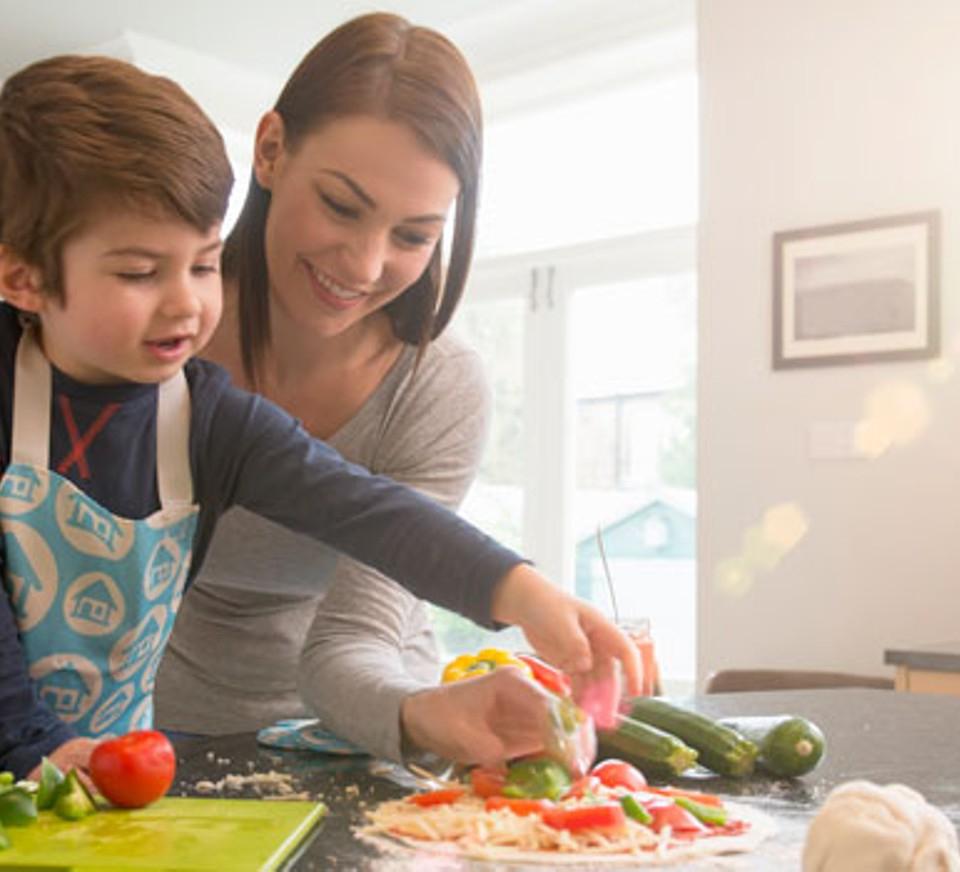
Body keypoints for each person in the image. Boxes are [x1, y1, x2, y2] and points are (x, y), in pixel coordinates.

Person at [0, 53, 639, 778]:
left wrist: (524, 591)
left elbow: (367, 511)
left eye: (204, 264)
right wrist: (34, 748)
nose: (186, 304)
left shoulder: (211, 418)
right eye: (140, 273)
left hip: (112, 772)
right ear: (22, 278)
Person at [153, 12, 609, 766]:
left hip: (369, 732)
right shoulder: (161, 332)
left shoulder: (436, 387)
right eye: (341, 205)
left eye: (413, 235)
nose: (364, 267)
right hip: (161, 734)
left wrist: (425, 715)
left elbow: (351, 640)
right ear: (270, 150)